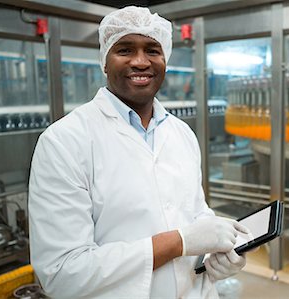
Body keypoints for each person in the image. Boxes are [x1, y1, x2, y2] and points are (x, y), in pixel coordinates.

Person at [28, 6, 250, 298]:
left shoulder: (181, 133)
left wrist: (214, 257)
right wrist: (178, 242)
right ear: (104, 62)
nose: (141, 61)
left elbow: (195, 214)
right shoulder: (64, 142)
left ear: (165, 60)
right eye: (125, 49)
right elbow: (63, 273)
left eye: (152, 50)